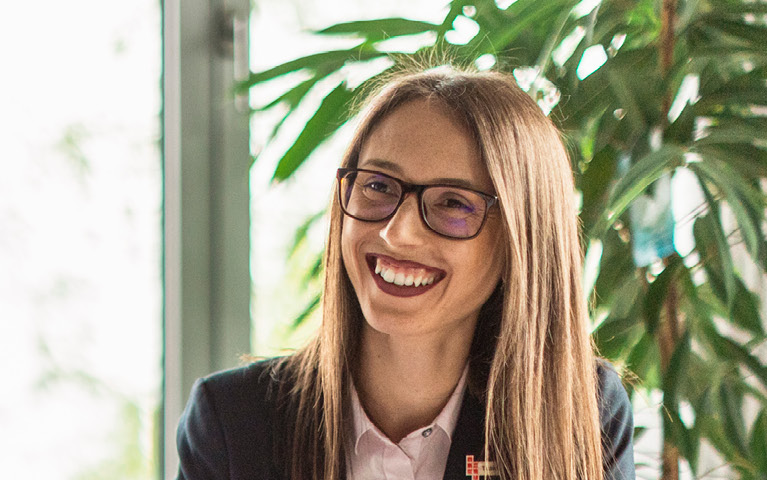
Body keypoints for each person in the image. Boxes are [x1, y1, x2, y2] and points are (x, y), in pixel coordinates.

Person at [174, 68, 634, 479]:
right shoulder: (233, 422)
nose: (398, 233)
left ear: (521, 241)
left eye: (453, 202)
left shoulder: (579, 411)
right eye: (377, 185)